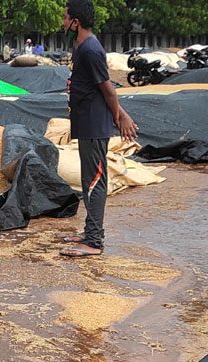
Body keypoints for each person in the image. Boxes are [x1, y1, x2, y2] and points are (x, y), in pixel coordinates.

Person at [60, 0, 137, 257]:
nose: (63, 23)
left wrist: (119, 118)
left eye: (65, 17)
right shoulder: (81, 46)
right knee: (87, 180)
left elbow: (108, 89)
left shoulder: (91, 49)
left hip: (95, 125)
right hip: (86, 123)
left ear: (76, 22)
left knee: (95, 182)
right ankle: (89, 231)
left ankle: (94, 242)